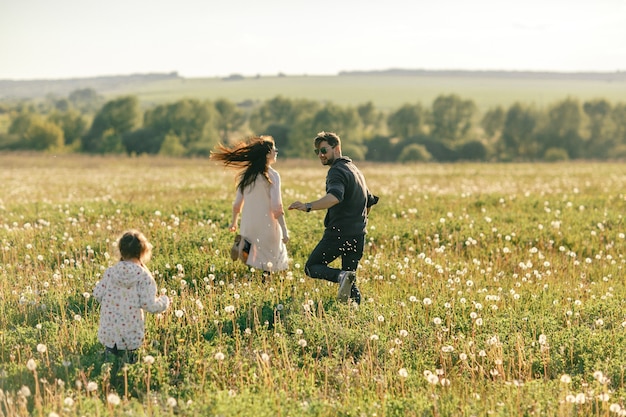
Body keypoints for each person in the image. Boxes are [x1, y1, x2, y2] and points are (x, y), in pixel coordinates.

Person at [288, 131, 378, 304]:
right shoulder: (355, 170)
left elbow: (335, 197)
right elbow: (369, 202)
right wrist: (358, 223)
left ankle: (341, 277)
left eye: (323, 150)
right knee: (349, 282)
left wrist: (307, 206)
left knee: (311, 267)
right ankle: (355, 313)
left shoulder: (336, 171)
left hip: (339, 233)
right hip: (358, 235)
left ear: (336, 148)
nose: (320, 155)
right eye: (317, 152)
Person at [210, 136, 289, 274]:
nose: (276, 152)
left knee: (254, 250)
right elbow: (277, 206)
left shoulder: (246, 175)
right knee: (272, 256)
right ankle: (265, 278)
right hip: (267, 224)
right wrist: (284, 229)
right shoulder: (273, 175)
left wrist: (233, 223)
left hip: (248, 225)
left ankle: (243, 249)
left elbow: (237, 204)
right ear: (267, 154)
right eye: (274, 150)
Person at [93, 230, 170, 365]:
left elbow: (97, 294)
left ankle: (107, 376)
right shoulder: (144, 276)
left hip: (109, 331)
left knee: (109, 362)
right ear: (142, 252)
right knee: (129, 366)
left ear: (120, 250)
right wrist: (164, 301)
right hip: (131, 335)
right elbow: (150, 305)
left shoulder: (111, 272)